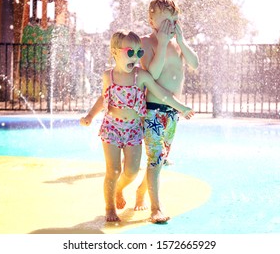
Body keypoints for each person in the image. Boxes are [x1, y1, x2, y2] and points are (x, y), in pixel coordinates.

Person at [80, 30, 194, 222]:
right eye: (130, 52)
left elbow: (161, 93)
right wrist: (90, 115)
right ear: (115, 52)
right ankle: (110, 207)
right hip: (112, 128)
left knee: (131, 171)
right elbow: (103, 97)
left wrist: (180, 107)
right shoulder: (108, 76)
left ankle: (118, 188)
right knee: (113, 170)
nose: (136, 57)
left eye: (139, 53)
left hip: (133, 129)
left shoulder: (140, 76)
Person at [134, 0, 199, 223]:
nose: (170, 27)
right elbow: (151, 74)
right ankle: (156, 208)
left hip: (172, 113)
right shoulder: (147, 42)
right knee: (155, 158)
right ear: (151, 21)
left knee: (159, 160)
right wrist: (161, 44)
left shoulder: (178, 44)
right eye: (164, 22)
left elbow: (195, 64)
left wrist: (181, 41)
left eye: (174, 21)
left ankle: (142, 190)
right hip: (153, 110)